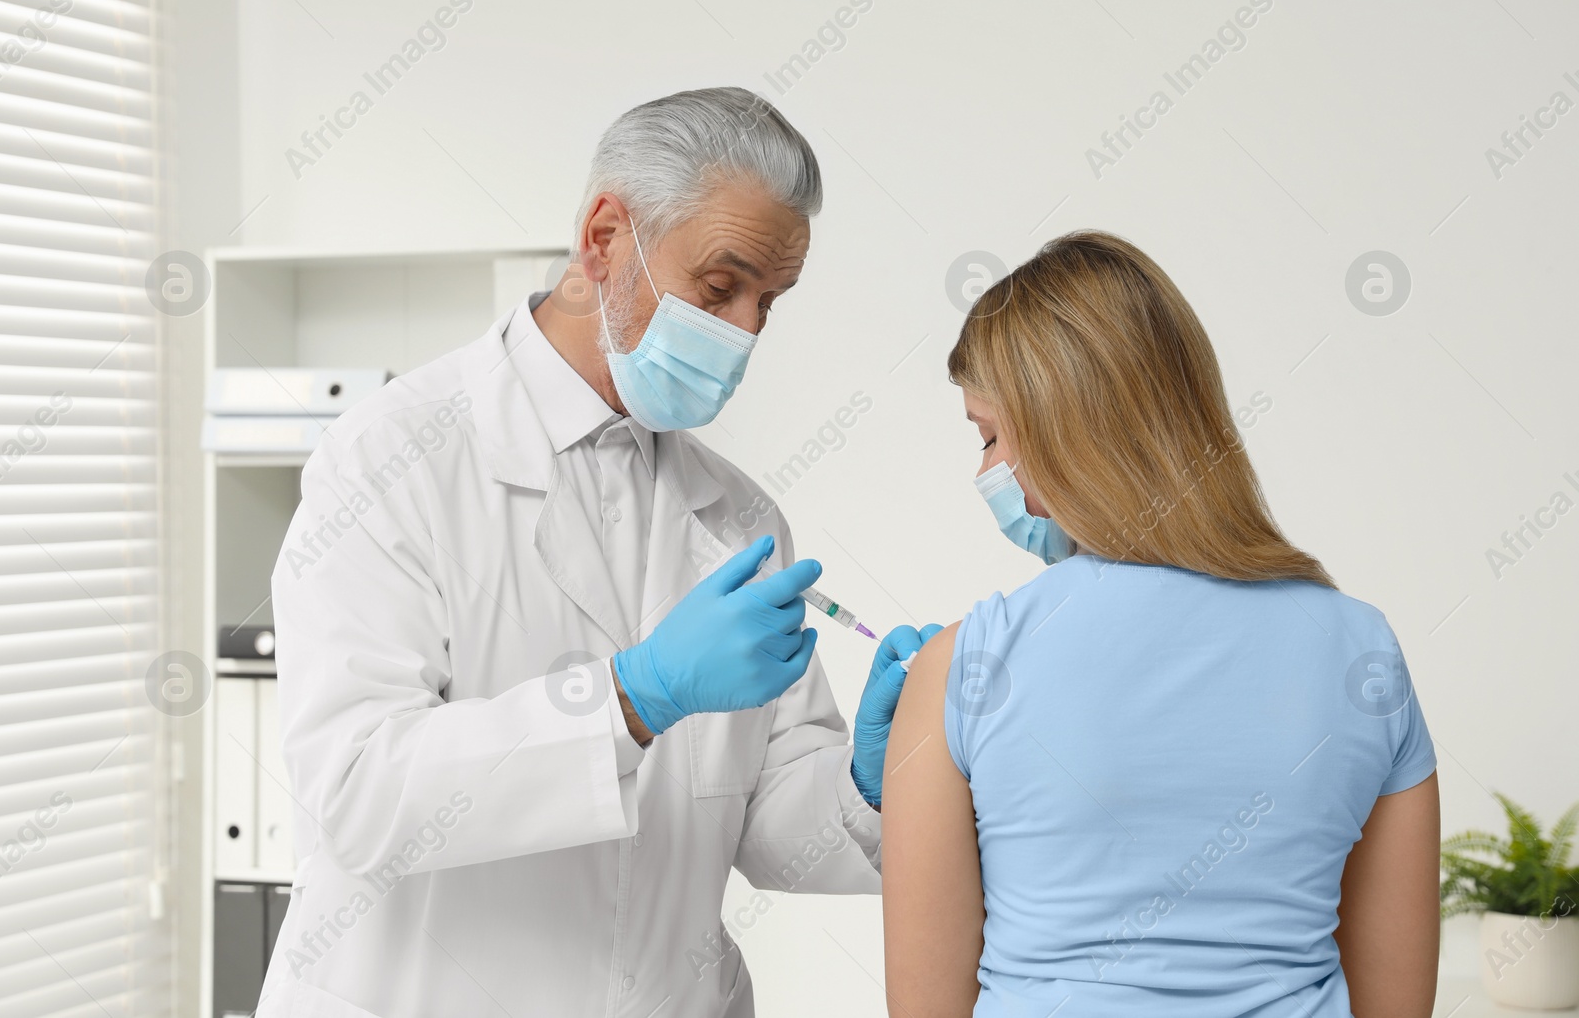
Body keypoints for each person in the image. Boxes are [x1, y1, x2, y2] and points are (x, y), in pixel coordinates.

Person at [258, 87, 937, 1018]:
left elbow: (767, 825)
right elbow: (357, 791)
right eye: (719, 285)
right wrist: (630, 697)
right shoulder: (395, 458)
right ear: (605, 236)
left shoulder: (739, 516)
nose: (744, 332)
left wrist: (866, 778)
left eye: (768, 301)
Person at [882, 231, 1440, 1018]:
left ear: (1065, 427)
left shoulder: (963, 666)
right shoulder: (1364, 652)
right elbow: (1396, 1004)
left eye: (991, 436)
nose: (985, 472)